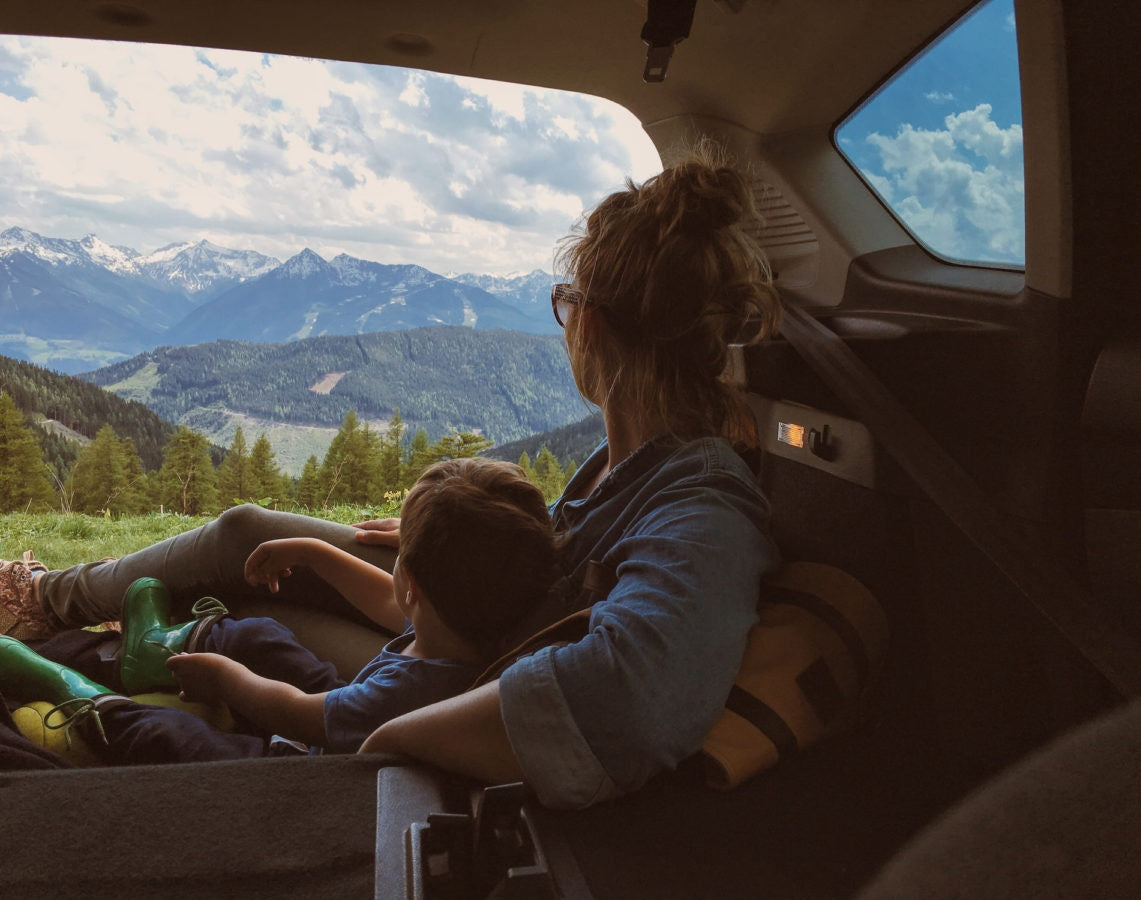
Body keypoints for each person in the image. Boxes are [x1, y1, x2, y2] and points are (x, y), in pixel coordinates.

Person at [0, 143, 782, 807]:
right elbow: (574, 573)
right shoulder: (638, 464)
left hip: (451, 684)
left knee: (247, 610)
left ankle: (75, 640)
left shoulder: (703, 508)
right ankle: (49, 601)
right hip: (458, 638)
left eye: (564, 300)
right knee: (248, 536)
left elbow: (627, 699)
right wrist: (454, 535)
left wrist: (388, 739)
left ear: (592, 323)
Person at [0, 458, 557, 764]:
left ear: (410, 580)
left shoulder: (405, 697)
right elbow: (395, 605)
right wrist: (314, 552)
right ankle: (155, 654)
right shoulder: (464, 629)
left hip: (300, 757)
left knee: (162, 733)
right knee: (263, 634)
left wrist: (231, 682)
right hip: (347, 703)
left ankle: (83, 697)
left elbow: (297, 713)